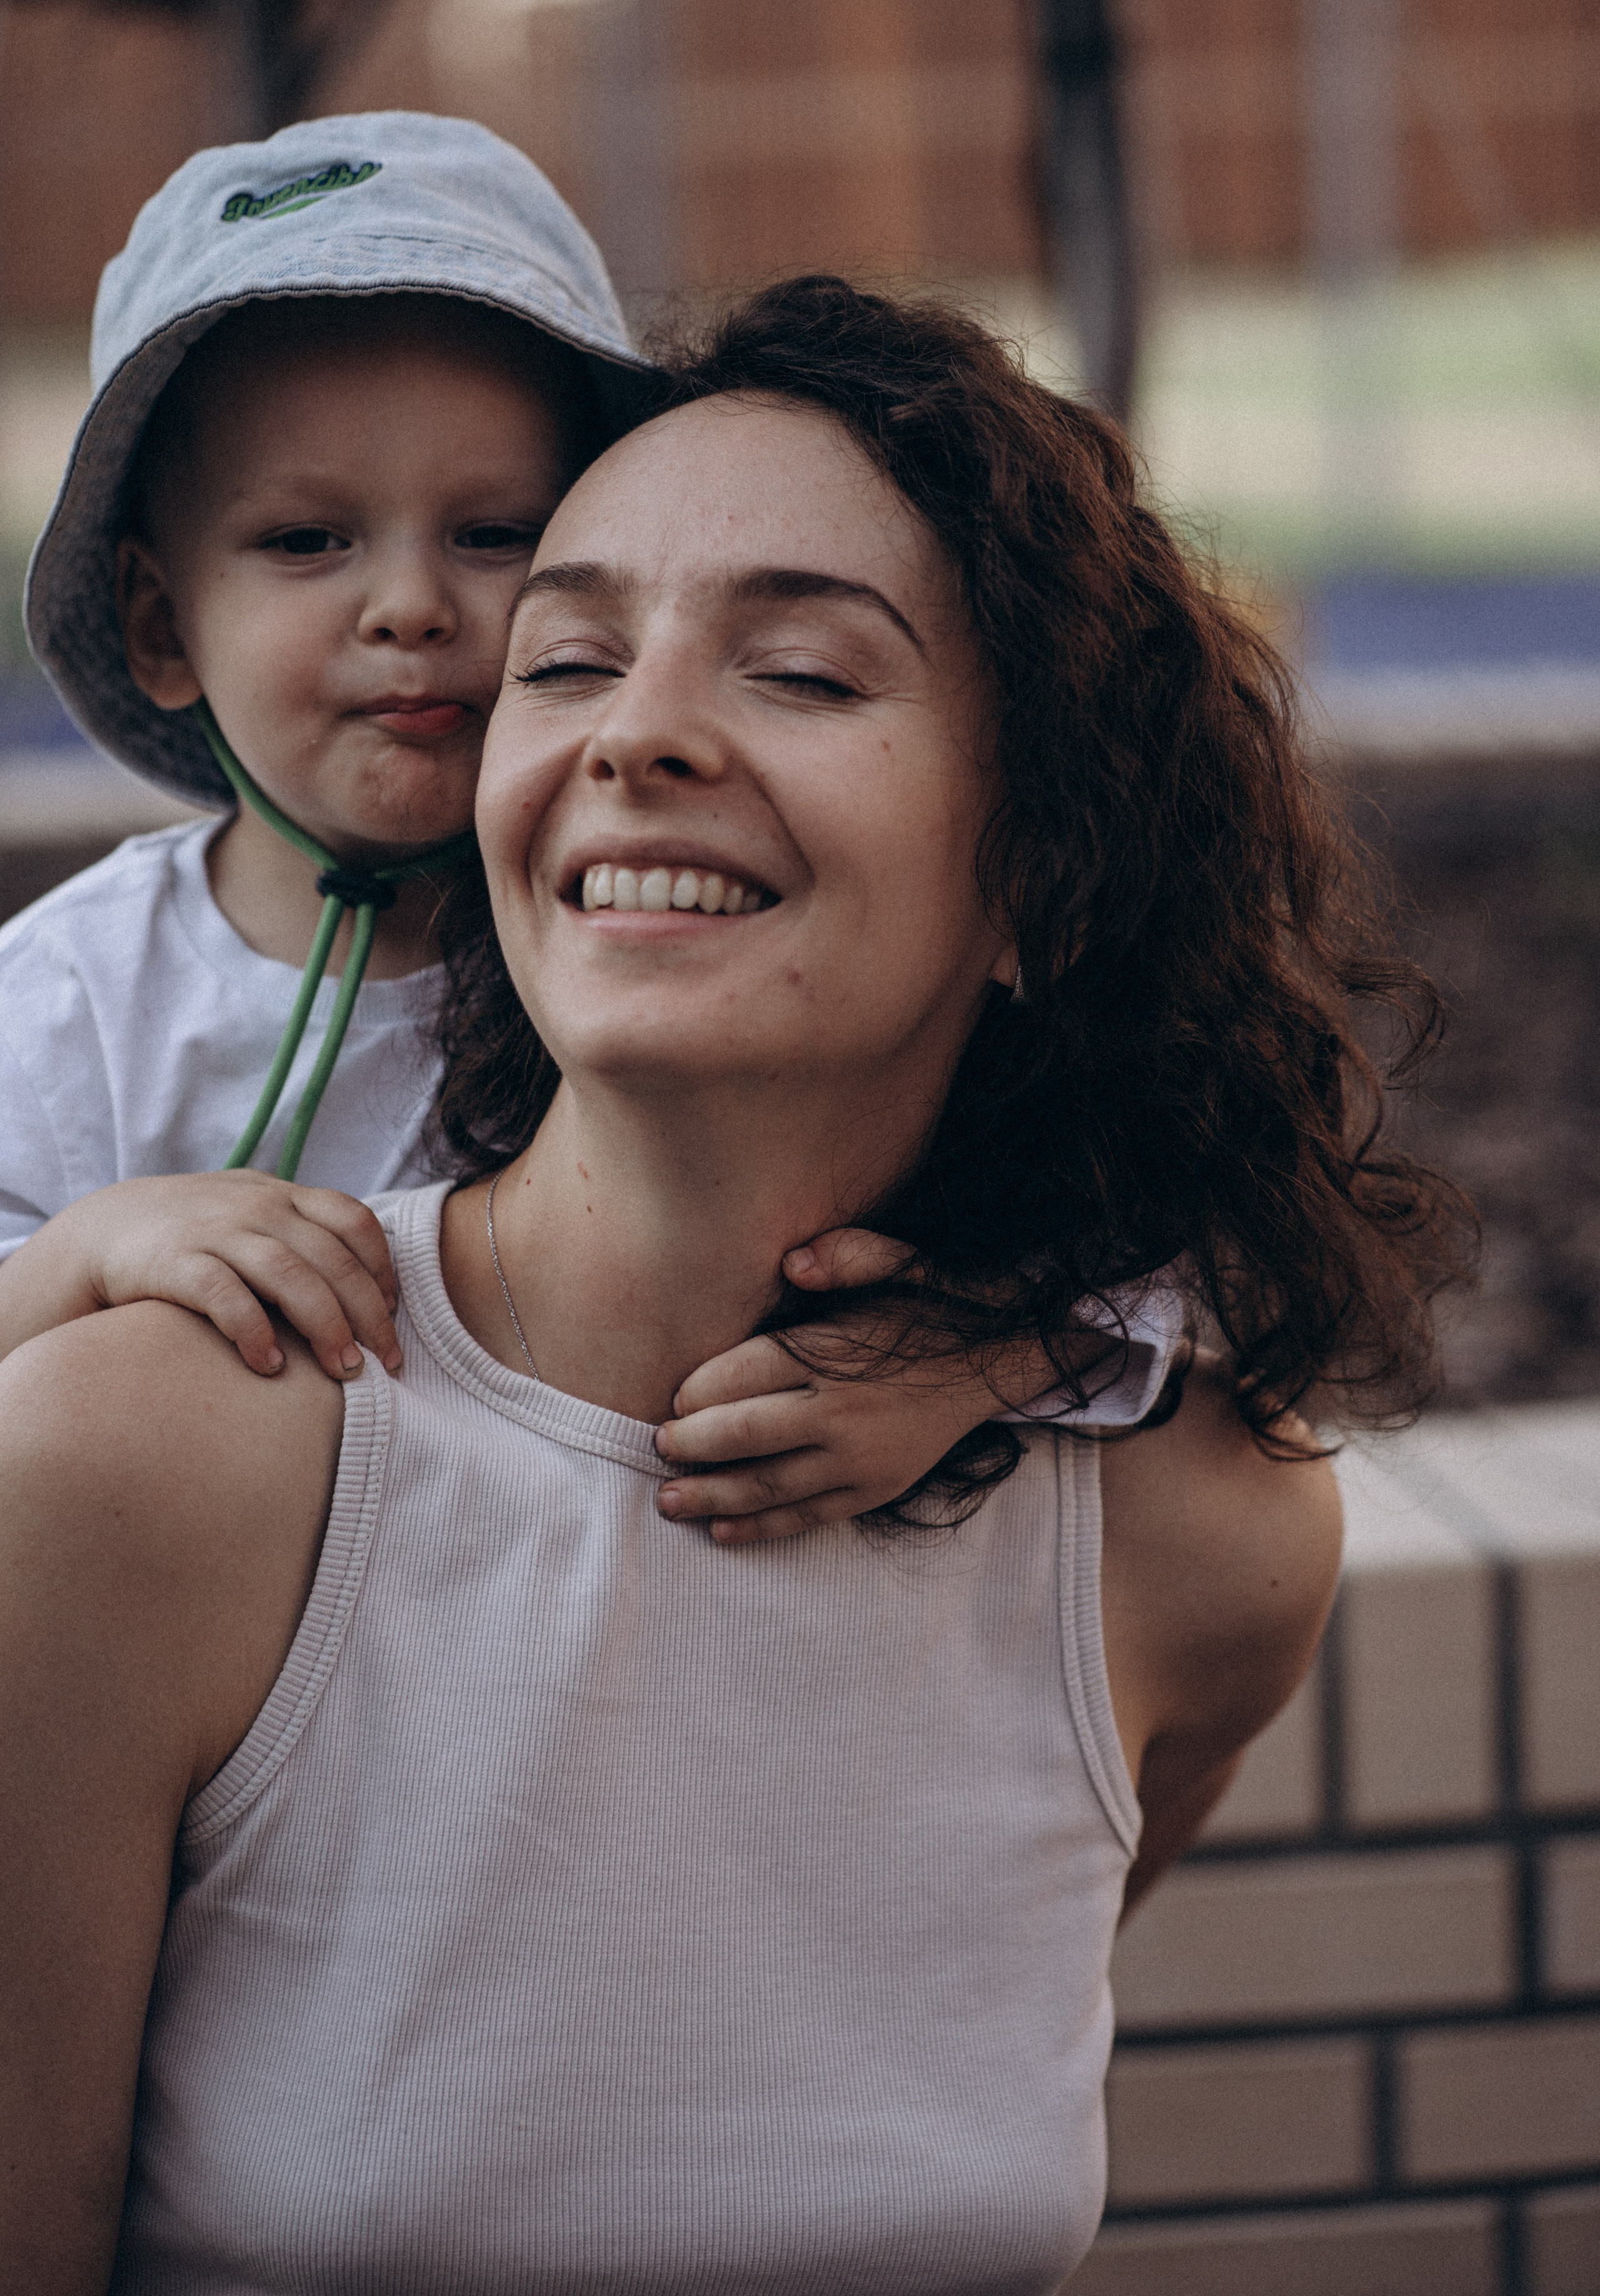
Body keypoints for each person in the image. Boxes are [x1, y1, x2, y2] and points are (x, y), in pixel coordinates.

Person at [0, 276, 1469, 2293]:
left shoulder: (1201, 1534)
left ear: (1043, 864)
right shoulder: (131, 1465)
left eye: (799, 671)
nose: (638, 737)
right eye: (572, 657)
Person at [0, 111, 1180, 1542]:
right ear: (155, 620)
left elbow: (1177, 1234)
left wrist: (976, 1360)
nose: (410, 606)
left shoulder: (686, 942)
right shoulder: (69, 1008)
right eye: (306, 540)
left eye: (495, 533)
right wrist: (84, 1255)